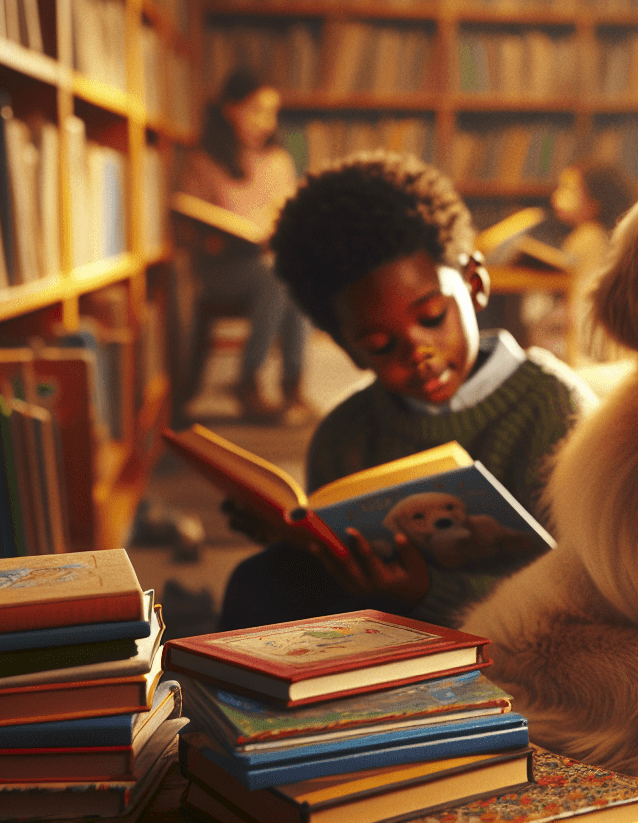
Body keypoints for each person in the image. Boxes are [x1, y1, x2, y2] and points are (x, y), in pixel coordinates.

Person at [217, 151, 596, 630]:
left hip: (523, 643)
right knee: (261, 580)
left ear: (475, 285)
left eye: (433, 317)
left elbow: (586, 589)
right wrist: (297, 540)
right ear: (349, 349)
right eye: (379, 344)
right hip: (380, 636)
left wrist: (425, 593)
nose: (419, 352)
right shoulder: (345, 434)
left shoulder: (554, 408)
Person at [177, 69, 308, 424]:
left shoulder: (279, 161)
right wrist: (214, 236)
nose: (265, 122)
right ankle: (248, 380)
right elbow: (189, 218)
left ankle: (292, 385)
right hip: (222, 268)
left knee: (290, 274)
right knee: (276, 276)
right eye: (256, 110)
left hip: (267, 262)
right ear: (230, 109)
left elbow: (290, 216)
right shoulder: (203, 161)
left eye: (272, 112)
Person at [537, 160, 638, 365]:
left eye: (569, 189)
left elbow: (582, 303)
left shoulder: (588, 236)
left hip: (587, 346)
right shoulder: (610, 237)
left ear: (595, 202)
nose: (557, 196)